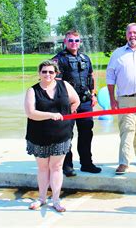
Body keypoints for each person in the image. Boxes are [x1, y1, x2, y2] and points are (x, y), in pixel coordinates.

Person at [25, 60, 80, 212]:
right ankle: (42, 198)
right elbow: (30, 113)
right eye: (44, 72)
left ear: (56, 73)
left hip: (61, 134)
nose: (47, 74)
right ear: (39, 73)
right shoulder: (32, 90)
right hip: (39, 135)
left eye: (51, 72)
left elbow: (76, 101)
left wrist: (67, 117)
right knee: (43, 168)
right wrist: (51, 115)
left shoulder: (65, 85)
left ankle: (56, 200)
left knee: (56, 167)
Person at [52, 29, 101, 176]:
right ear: (65, 42)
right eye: (70, 40)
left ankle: (87, 163)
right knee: (66, 134)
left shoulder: (85, 58)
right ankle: (67, 165)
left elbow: (90, 77)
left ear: (80, 42)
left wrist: (93, 94)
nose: (74, 43)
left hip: (85, 102)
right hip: (67, 104)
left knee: (86, 132)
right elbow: (55, 83)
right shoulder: (58, 60)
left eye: (77, 40)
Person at [106, 23, 136, 175]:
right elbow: (110, 77)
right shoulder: (117, 54)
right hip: (125, 99)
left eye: (135, 33)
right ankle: (123, 162)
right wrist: (112, 99)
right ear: (126, 35)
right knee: (126, 130)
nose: (132, 35)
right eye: (129, 33)